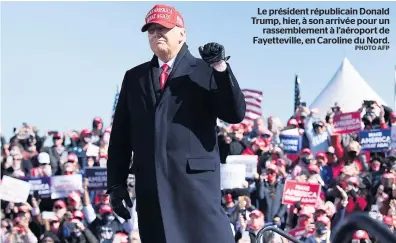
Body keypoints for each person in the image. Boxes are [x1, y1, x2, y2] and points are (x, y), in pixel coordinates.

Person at [106, 3, 246, 243]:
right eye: (151, 30)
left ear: (182, 33)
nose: (156, 33)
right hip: (152, 192)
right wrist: (116, 184)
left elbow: (234, 113)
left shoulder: (206, 69)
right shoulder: (134, 78)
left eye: (163, 28)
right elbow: (120, 136)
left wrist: (221, 68)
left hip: (195, 190)